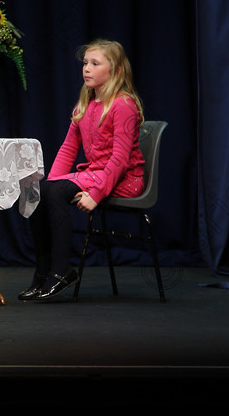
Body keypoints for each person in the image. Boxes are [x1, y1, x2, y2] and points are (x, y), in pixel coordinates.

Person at [20, 39, 145, 302]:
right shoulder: (85, 103)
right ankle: (42, 272)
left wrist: (96, 194)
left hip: (124, 179)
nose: (86, 69)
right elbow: (68, 148)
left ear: (116, 71)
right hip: (97, 173)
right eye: (85, 63)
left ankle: (61, 270)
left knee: (56, 192)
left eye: (95, 63)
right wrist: (50, 183)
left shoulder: (123, 105)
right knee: (40, 190)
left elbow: (121, 160)